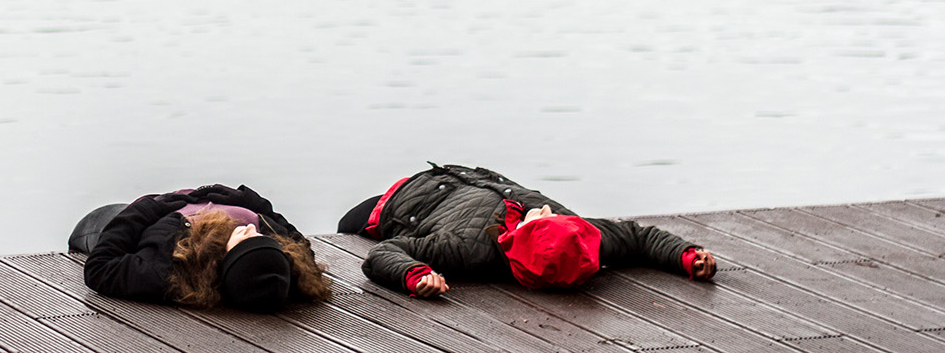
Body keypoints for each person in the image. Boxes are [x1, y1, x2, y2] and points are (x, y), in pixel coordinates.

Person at [337, 163, 716, 297]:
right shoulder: (582, 239)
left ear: (522, 239)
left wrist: (416, 275)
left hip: (404, 198)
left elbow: (383, 253)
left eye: (542, 218)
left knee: (345, 226)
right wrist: (686, 255)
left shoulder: (466, 249)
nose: (547, 208)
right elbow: (639, 237)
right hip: (468, 178)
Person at [71, 184, 332, 312]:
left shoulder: (169, 266)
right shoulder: (284, 263)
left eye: (245, 239)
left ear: (229, 260)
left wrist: (152, 206)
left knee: (90, 227)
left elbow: (99, 268)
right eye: (263, 237)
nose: (252, 229)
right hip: (191, 199)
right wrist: (255, 203)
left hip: (132, 219)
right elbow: (302, 247)